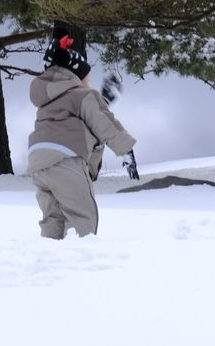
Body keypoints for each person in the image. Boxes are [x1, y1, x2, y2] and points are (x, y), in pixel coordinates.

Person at [26, 22, 136, 239]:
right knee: (84, 216)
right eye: (86, 77)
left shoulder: (47, 102)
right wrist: (126, 150)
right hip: (64, 159)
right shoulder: (84, 96)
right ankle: (84, 259)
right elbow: (103, 122)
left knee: (53, 219)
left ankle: (48, 257)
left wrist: (101, 99)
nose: (88, 81)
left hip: (38, 163)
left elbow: (82, 129)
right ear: (74, 76)